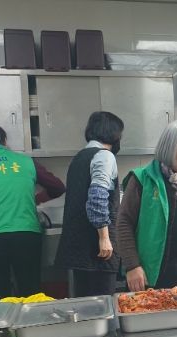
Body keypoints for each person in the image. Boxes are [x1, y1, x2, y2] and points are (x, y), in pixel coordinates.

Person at [0, 124, 65, 302]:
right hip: (26, 235)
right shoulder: (26, 161)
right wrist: (37, 199)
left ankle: (1, 320)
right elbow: (58, 187)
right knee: (31, 293)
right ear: (4, 141)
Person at [118, 120, 177, 291]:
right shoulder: (142, 179)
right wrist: (132, 265)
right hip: (152, 275)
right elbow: (124, 223)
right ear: (169, 147)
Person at [55, 111, 124, 297]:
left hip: (78, 248)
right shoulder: (104, 156)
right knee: (103, 305)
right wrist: (104, 237)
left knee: (85, 304)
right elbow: (97, 197)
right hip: (97, 250)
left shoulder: (79, 157)